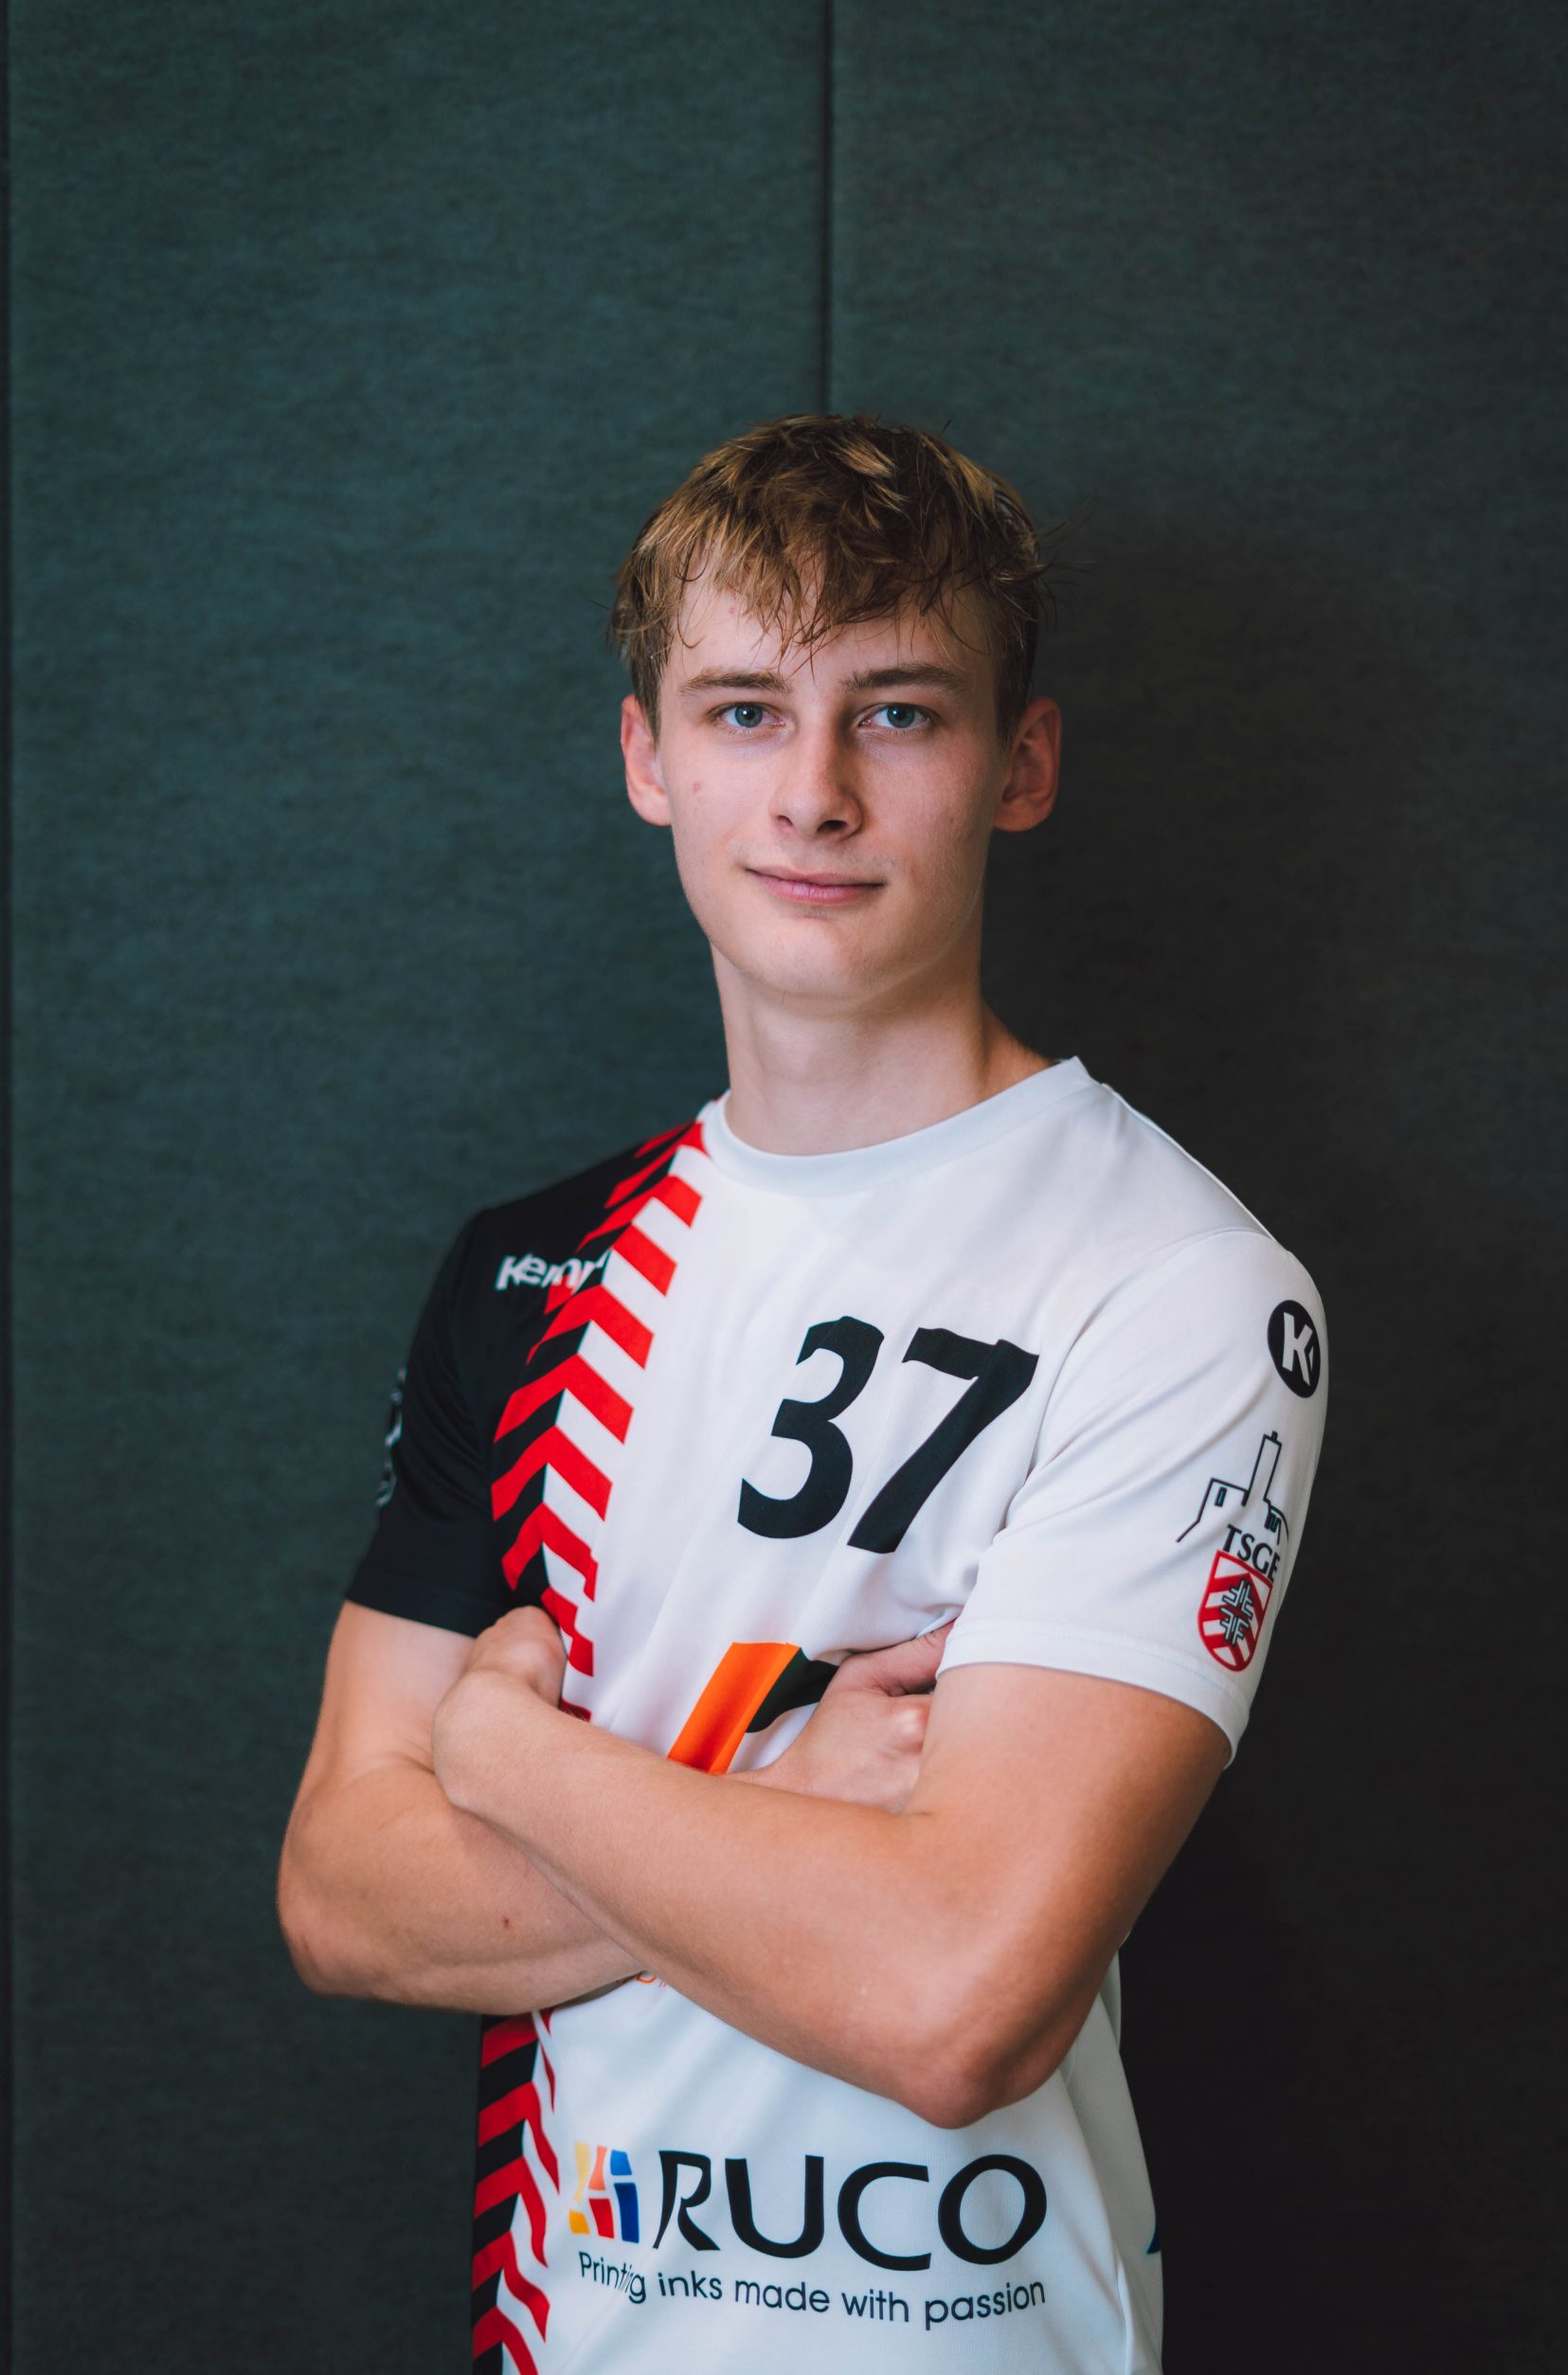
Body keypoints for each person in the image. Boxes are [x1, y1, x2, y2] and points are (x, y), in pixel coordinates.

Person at [278, 411, 1328, 2375]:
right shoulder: (533, 1275)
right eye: (745, 711)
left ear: (1020, 763)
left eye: (898, 714)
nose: (814, 793)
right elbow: (342, 1891)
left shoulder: (1178, 1283)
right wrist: (767, 1807)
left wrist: (508, 1758)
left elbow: (955, 2003)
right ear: (647, 758)